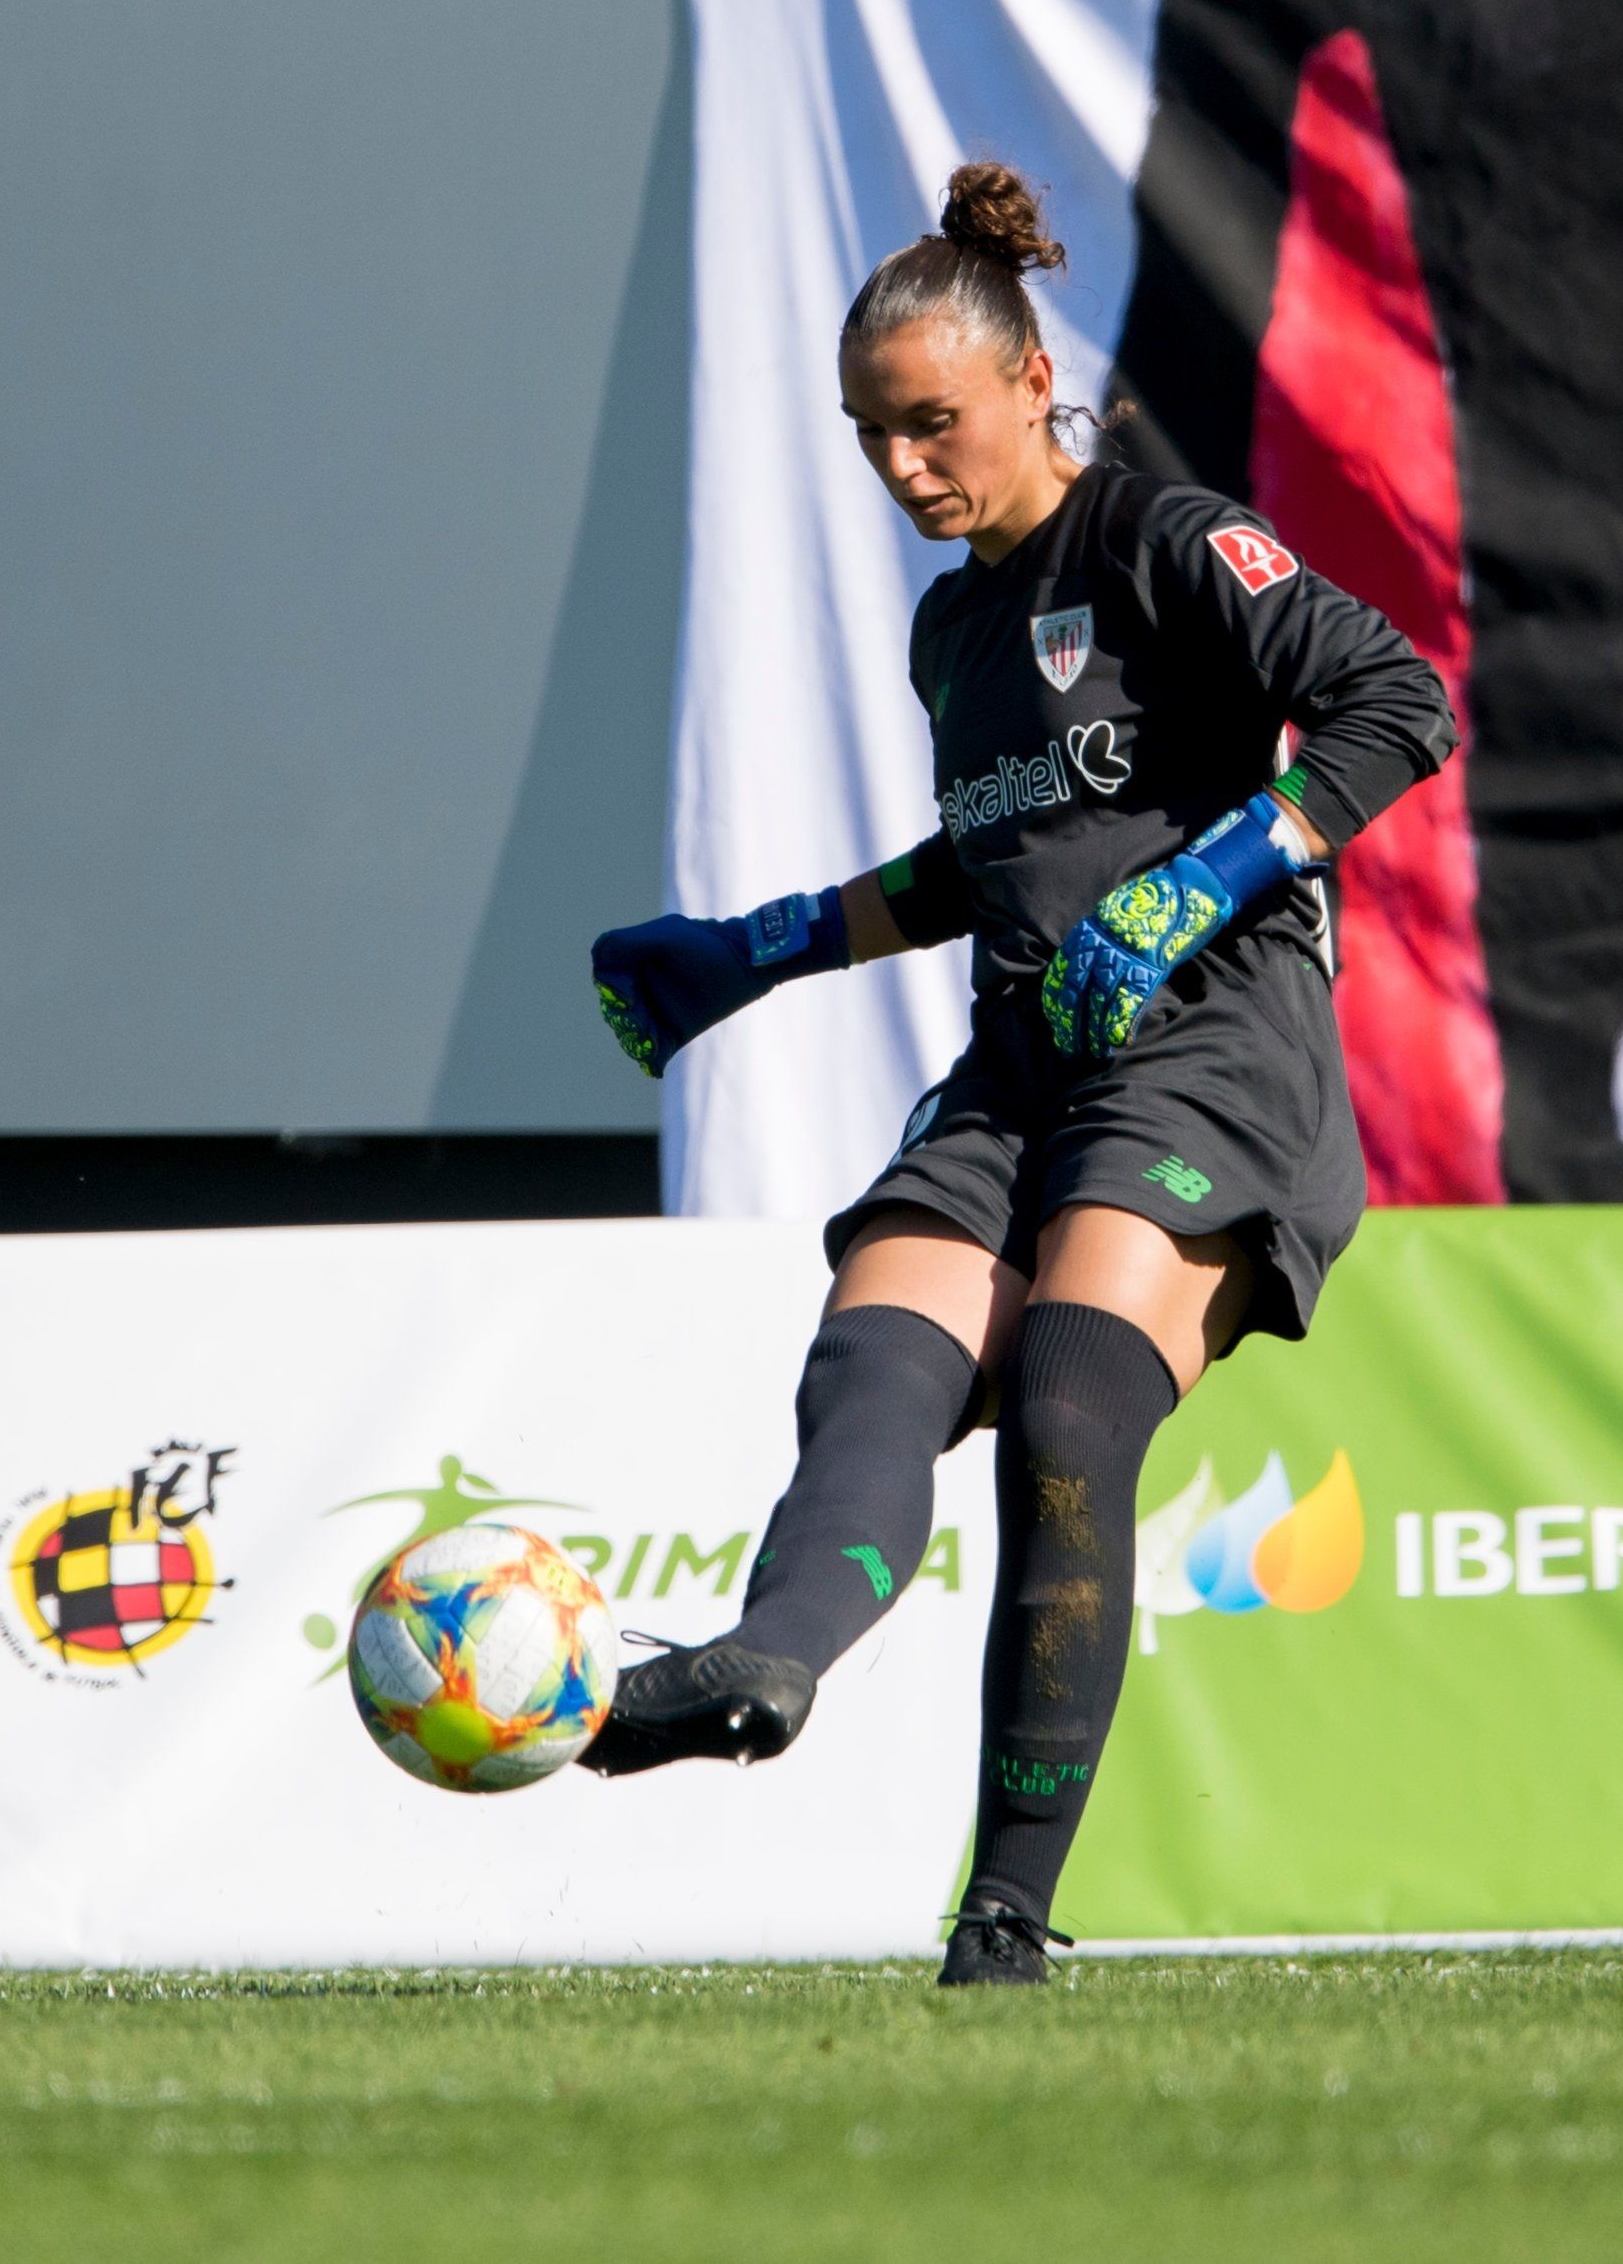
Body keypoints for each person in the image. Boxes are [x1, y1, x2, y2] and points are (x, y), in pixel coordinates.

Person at [579, 162, 1458, 1987]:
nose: (905, 467)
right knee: (873, 1347)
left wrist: (1214, 868)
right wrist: (757, 950)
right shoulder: (952, 633)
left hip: (1215, 1042)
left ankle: (1008, 1908)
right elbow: (984, 864)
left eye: (931, 423)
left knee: (1068, 1403)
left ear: (1028, 377)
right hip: (1026, 1048)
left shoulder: (1164, 540)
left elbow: (1399, 698)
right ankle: (771, 1660)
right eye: (870, 435)